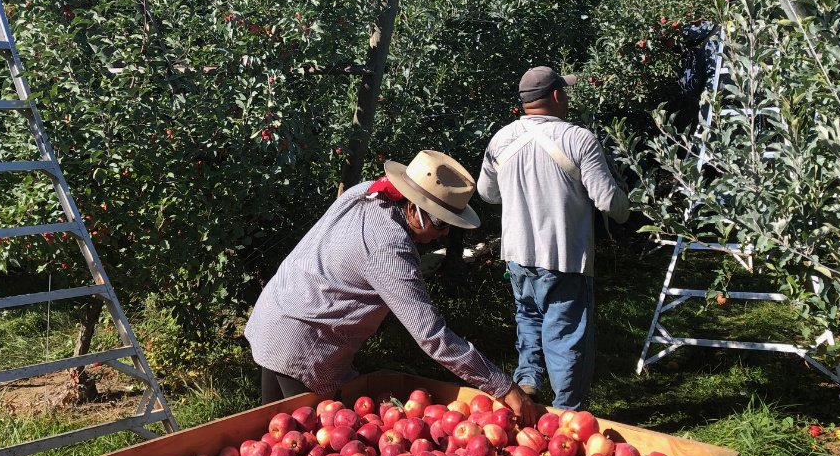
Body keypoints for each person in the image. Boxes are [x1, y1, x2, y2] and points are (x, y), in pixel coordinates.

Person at [244, 150, 539, 425]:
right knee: (303, 443)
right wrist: (503, 386)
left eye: (451, 225)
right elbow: (432, 335)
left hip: (275, 316)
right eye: (440, 223)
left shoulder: (366, 193)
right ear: (413, 207)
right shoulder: (389, 247)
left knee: (275, 429)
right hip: (304, 342)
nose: (445, 232)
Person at [477, 67, 630, 410]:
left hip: (517, 254)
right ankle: (567, 412)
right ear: (558, 95)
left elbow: (486, 193)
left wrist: (522, 189)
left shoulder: (501, 139)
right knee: (565, 333)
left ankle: (528, 385)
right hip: (564, 256)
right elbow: (607, 201)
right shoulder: (578, 139)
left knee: (528, 316)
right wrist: (630, 208)